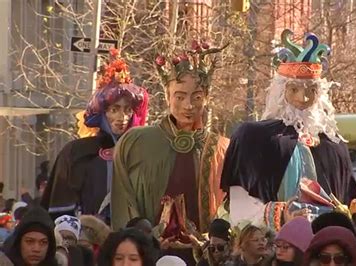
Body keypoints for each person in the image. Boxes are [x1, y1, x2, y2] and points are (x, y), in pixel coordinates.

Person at [221, 29, 356, 230]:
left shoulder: (334, 146)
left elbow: (350, 207)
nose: (303, 99)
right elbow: (241, 206)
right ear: (280, 91)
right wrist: (281, 216)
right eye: (294, 89)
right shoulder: (255, 138)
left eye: (311, 90)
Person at [111, 41, 229, 264]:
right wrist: (144, 241)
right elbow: (124, 199)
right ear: (167, 96)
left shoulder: (222, 148)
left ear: (207, 97)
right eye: (180, 96)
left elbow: (230, 210)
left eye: (197, 97)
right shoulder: (135, 143)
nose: (188, 105)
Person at [41, 49, 148, 223]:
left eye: (127, 110)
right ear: (102, 113)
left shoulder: (142, 153)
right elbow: (61, 212)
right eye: (115, 109)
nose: (122, 117)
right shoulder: (77, 152)